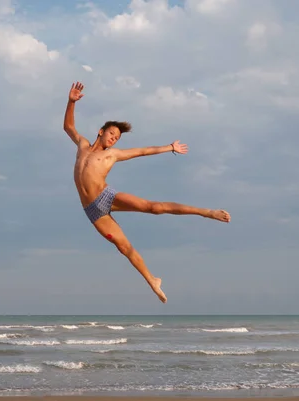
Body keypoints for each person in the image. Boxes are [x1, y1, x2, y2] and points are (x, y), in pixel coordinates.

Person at [63, 81, 231, 303]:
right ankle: (153, 280)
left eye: (117, 138)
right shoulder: (83, 146)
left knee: (155, 208)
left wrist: (169, 147)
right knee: (123, 247)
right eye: (112, 134)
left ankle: (206, 212)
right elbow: (68, 127)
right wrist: (71, 102)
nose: (113, 139)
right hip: (92, 211)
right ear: (101, 131)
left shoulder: (112, 155)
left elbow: (142, 151)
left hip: (106, 196)